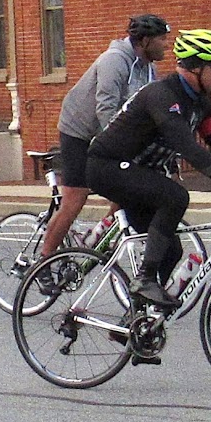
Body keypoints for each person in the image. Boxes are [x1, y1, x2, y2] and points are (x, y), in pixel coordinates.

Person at [87, 29, 211, 307]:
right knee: (176, 197)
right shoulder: (162, 96)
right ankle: (144, 279)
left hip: (137, 171)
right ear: (195, 67)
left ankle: (141, 317)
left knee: (170, 251)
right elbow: (189, 148)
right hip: (106, 166)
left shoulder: (199, 101)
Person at [41, 14, 172, 264]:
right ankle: (43, 261)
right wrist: (121, 146)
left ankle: (100, 236)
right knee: (76, 197)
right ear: (145, 41)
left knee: (127, 189)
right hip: (79, 131)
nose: (166, 45)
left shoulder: (148, 69)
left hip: (108, 133)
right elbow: (106, 109)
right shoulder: (114, 61)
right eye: (162, 39)